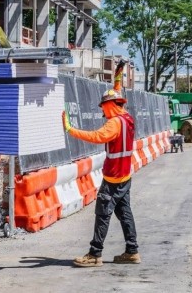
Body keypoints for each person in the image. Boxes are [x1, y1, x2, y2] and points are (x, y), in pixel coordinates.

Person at [62, 61, 140, 267]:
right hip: (125, 177)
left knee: (102, 214)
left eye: (104, 108)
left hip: (113, 178)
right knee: (125, 213)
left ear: (109, 106)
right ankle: (132, 251)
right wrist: (117, 75)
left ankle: (95, 254)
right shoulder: (127, 117)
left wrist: (71, 130)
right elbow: (117, 93)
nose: (103, 111)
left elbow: (96, 136)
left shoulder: (113, 123)